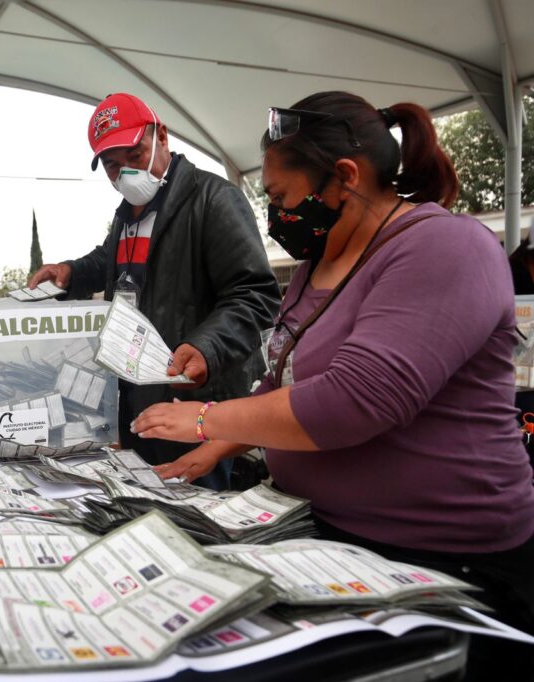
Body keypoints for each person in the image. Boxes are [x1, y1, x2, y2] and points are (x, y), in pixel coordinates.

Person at [133, 92, 534, 679]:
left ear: (344, 177)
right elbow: (280, 387)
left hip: (446, 563)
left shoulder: (445, 247)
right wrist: (215, 450)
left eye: (280, 197)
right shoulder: (317, 266)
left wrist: (205, 418)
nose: (276, 216)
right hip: (332, 541)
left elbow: (355, 401)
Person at [28, 93, 280, 487]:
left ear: (161, 136)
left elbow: (254, 294)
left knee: (196, 505)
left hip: (194, 397)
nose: (126, 172)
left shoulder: (213, 199)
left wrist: (207, 347)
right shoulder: (128, 214)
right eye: (112, 165)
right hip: (135, 395)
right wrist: (69, 272)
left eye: (135, 153)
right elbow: (111, 261)